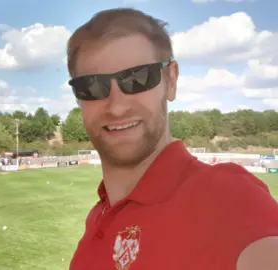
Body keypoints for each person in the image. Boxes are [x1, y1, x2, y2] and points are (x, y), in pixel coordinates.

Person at [66, 8, 278, 270]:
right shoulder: (97, 218)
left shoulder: (227, 199)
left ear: (171, 80)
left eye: (138, 78)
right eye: (92, 86)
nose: (117, 107)